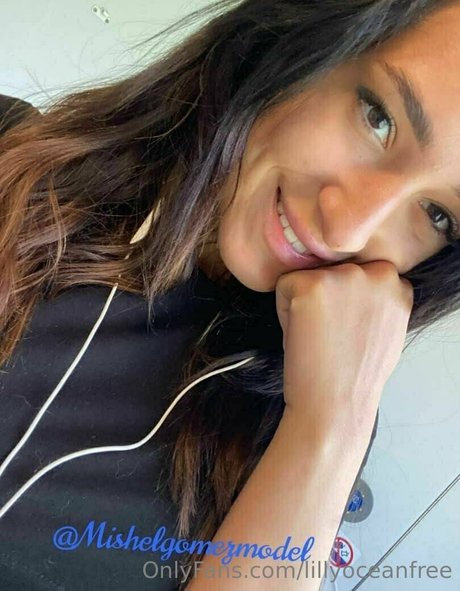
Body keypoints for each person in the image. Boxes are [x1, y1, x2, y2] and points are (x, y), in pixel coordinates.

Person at [0, 0, 459, 589]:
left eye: (437, 214)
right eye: (378, 118)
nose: (348, 230)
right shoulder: (15, 153)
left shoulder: (293, 426)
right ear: (291, 44)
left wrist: (333, 424)